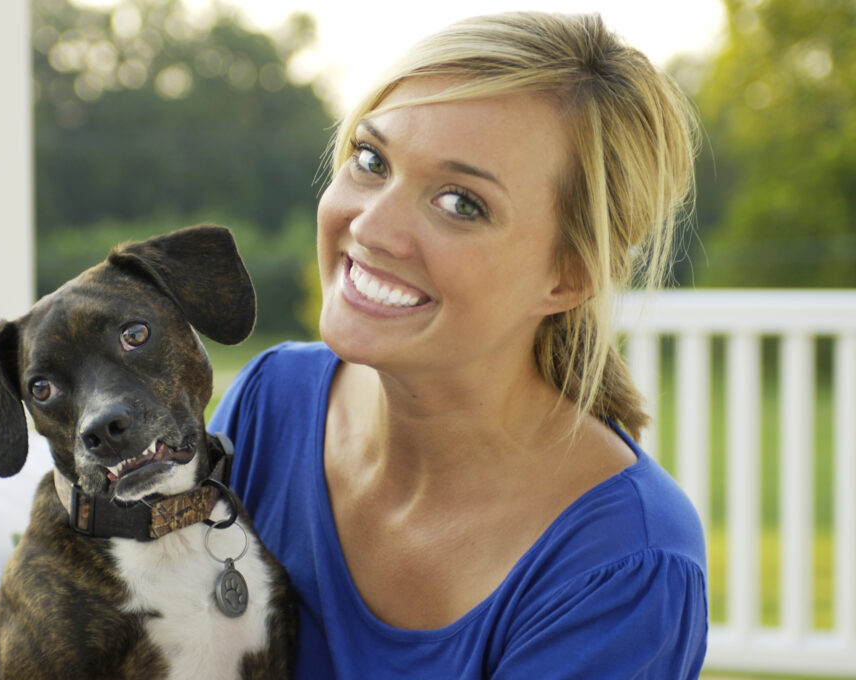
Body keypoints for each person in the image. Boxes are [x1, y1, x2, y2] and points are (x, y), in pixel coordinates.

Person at [209, 11, 707, 679]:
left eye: (460, 203)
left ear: (569, 276)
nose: (374, 226)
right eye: (371, 160)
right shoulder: (269, 405)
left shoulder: (623, 563)